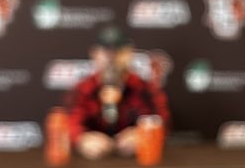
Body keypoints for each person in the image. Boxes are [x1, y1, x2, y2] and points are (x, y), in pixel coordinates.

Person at [66, 26, 170, 159]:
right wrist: (82, 139)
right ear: (94, 54)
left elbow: (162, 120)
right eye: (106, 51)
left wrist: (143, 134)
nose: (111, 58)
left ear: (130, 53)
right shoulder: (81, 89)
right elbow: (70, 122)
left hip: (138, 166)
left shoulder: (146, 89)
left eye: (118, 51)